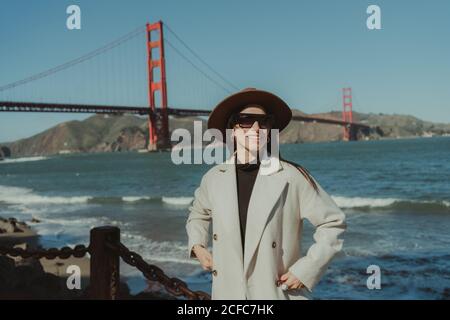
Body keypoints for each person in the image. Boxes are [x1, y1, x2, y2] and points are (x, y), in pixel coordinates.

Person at [186, 88, 346, 300]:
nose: (255, 128)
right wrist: (198, 245)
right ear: (232, 129)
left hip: (275, 294)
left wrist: (306, 270)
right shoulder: (213, 178)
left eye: (264, 122)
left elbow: (332, 223)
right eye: (246, 120)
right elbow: (198, 213)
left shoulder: (292, 176)